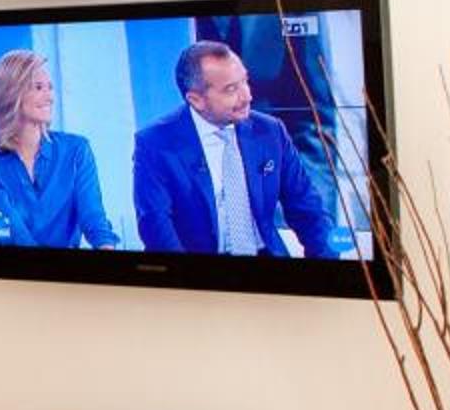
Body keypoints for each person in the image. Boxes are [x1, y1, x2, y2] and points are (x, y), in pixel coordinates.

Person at [130, 40, 342, 259]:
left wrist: (327, 266)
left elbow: (308, 209)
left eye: (245, 82)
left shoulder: (270, 131)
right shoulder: (156, 144)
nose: (247, 96)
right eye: (231, 89)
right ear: (196, 100)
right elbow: (156, 226)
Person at [0, 49, 118, 248]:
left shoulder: (76, 150)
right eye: (38, 87)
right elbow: (14, 235)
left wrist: (107, 252)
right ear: (11, 94)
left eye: (50, 87)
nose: (50, 97)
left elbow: (94, 220)